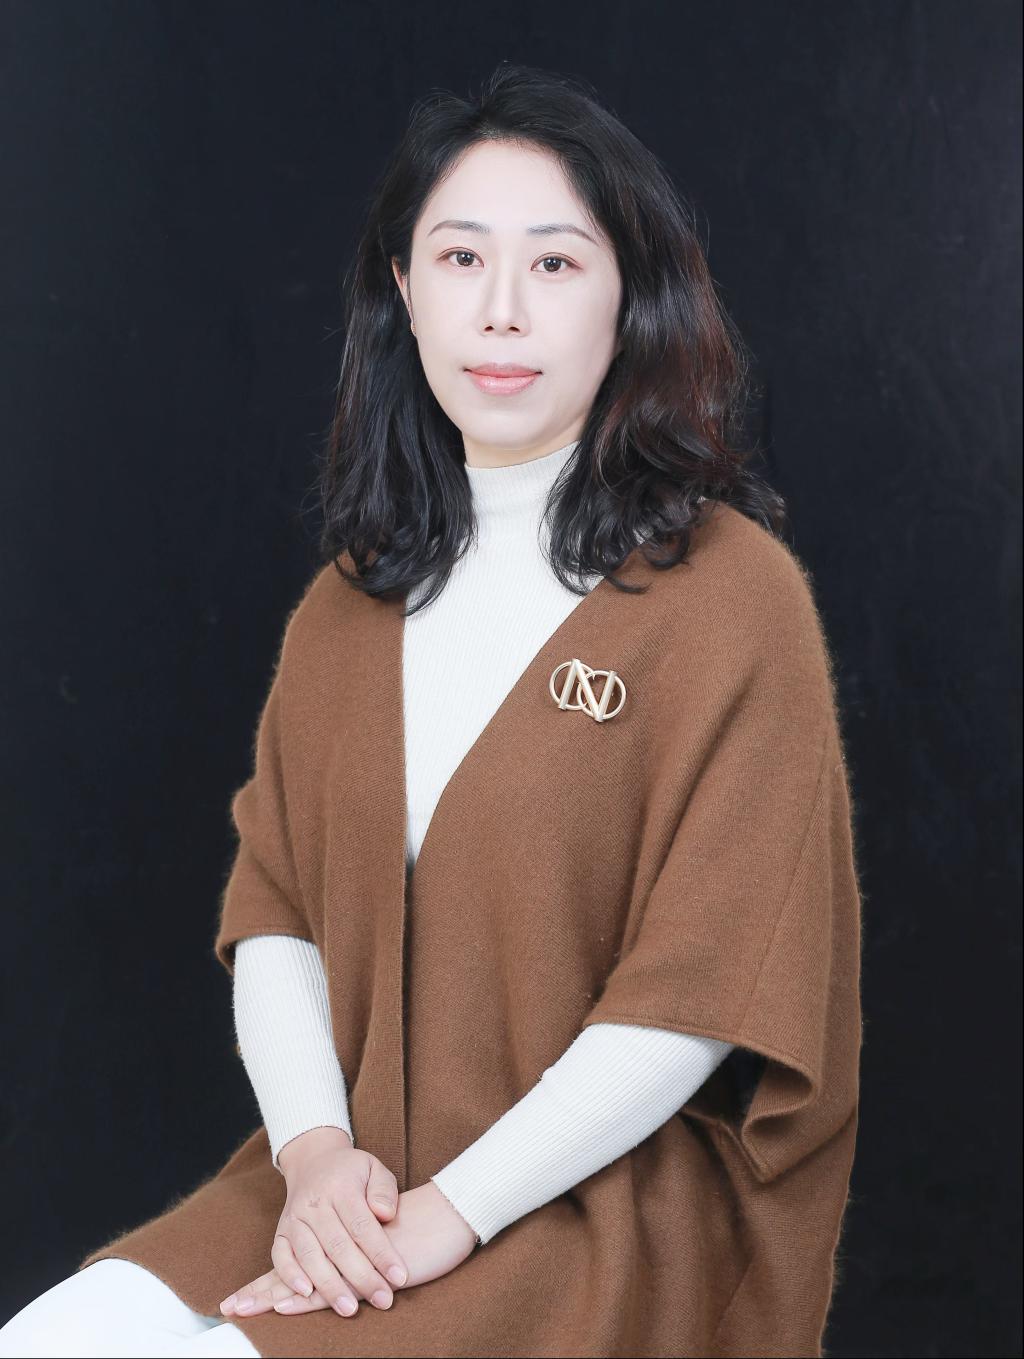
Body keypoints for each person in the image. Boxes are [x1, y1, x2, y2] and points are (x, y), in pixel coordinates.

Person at [1, 62, 862, 1359]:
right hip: (348, 1182)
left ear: (630, 296)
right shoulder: (348, 606)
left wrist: (451, 1215)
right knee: (49, 1339)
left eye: (556, 264)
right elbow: (278, 917)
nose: (502, 309)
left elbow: (698, 998)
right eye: (461, 258)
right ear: (406, 291)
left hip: (589, 1208)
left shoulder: (735, 604)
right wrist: (313, 1158)